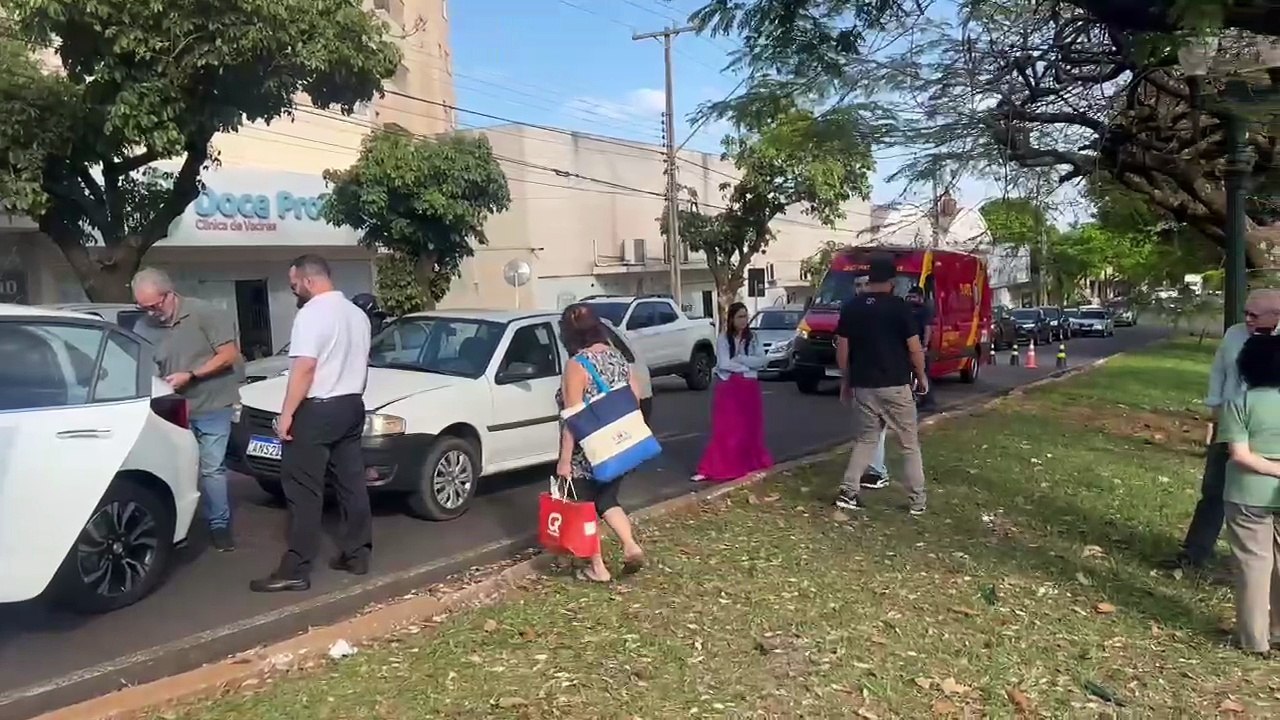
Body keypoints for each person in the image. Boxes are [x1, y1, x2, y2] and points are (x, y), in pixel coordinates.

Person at [251, 255, 373, 593]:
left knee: (303, 490)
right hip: (351, 404)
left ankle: (296, 568)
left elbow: (305, 368)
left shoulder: (311, 314)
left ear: (308, 281)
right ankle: (357, 554)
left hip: (318, 409)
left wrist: (287, 414)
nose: (293, 291)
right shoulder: (357, 314)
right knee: (351, 484)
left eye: (294, 285)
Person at [132, 268, 244, 552]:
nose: (150, 313)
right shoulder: (143, 327)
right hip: (172, 410)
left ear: (169, 294)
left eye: (154, 305)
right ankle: (180, 528)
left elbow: (229, 355)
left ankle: (219, 525)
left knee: (212, 469)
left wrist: (191, 375)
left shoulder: (205, 313)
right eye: (143, 308)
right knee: (177, 469)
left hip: (213, 403)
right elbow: (141, 365)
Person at [1169, 289, 1280, 571]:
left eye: (1254, 315)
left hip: (1269, 429)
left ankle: (1265, 560)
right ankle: (1194, 553)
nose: (1248, 319)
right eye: (1246, 313)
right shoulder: (1234, 334)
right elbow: (1219, 371)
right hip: (1231, 422)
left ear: (1276, 315)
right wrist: (1215, 407)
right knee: (1214, 490)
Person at [556, 303, 646, 583]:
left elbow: (573, 416)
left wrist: (565, 460)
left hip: (587, 449)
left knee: (584, 506)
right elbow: (635, 395)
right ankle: (631, 546)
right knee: (607, 499)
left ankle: (598, 567)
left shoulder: (577, 364)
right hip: (617, 443)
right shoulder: (617, 356)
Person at [834, 253, 929, 515]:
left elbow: (842, 348)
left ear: (869, 278)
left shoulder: (852, 307)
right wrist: (921, 376)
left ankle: (848, 491)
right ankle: (917, 501)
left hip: (863, 385)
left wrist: (845, 380)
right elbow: (914, 348)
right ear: (892, 281)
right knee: (909, 443)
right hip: (895, 383)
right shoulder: (900, 308)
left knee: (866, 440)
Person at [1217, 333, 1280, 653]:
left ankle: (1255, 640)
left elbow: (1239, 454)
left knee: (1253, 565)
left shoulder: (1238, 403)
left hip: (1246, 494)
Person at [691, 302, 774, 483]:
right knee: (726, 429)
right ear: (731, 319)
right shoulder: (723, 339)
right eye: (740, 317)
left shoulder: (753, 338)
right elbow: (724, 364)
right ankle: (712, 468)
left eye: (745, 316)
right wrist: (745, 366)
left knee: (749, 429)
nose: (743, 320)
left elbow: (762, 360)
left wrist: (742, 359)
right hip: (728, 388)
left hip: (749, 387)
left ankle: (745, 463)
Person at [853, 275, 891, 491]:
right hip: (863, 377)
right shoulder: (853, 310)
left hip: (884, 378)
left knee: (876, 426)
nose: (861, 289)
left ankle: (877, 471)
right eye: (857, 285)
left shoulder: (885, 309)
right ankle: (873, 469)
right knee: (868, 427)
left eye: (865, 284)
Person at [906, 285, 935, 409]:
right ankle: (915, 398)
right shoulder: (907, 309)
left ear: (920, 297)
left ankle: (928, 401)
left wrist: (925, 345)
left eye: (914, 297)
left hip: (921, 346)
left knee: (923, 373)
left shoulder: (924, 310)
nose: (911, 299)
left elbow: (927, 329)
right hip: (910, 346)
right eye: (909, 297)